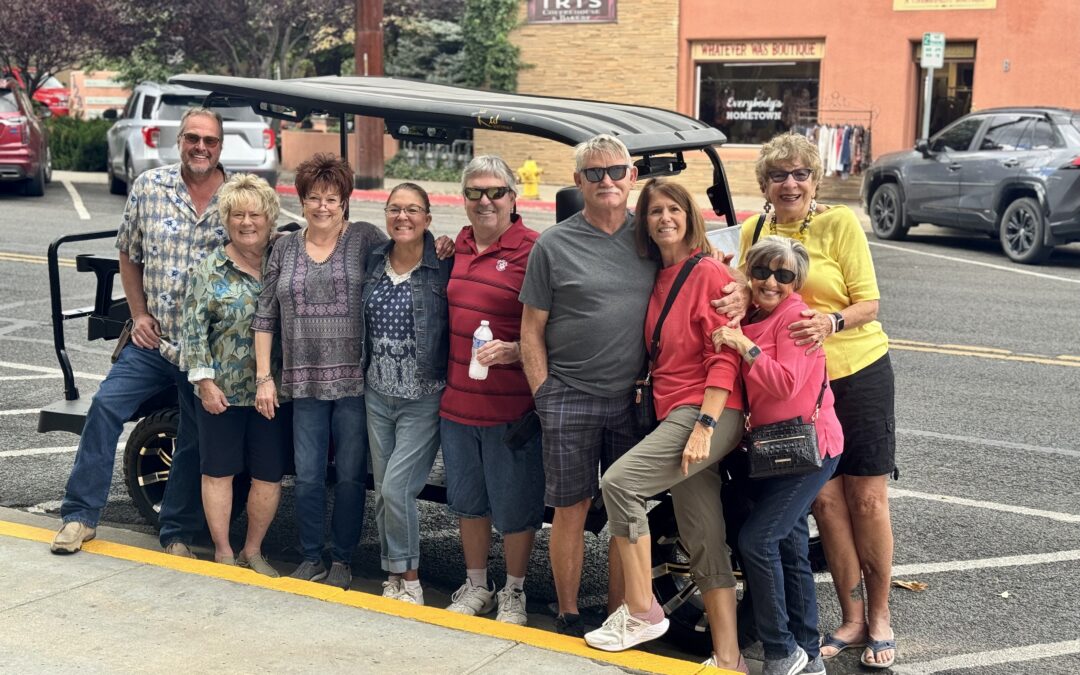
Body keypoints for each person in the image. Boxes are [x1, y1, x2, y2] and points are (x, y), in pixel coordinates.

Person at [739, 132, 897, 669]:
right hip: (796, 389)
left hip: (856, 371)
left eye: (800, 174)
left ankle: (880, 617)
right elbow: (743, 292)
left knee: (867, 500)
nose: (790, 184)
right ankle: (851, 618)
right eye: (778, 175)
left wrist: (830, 321)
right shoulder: (754, 231)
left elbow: (869, 303)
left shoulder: (839, 223)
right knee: (825, 504)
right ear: (764, 183)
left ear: (815, 180)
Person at [583, 179, 747, 673]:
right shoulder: (658, 276)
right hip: (677, 411)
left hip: (708, 410)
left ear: (690, 216)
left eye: (674, 209)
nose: (665, 218)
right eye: (654, 211)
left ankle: (641, 610)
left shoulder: (709, 273)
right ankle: (730, 660)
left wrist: (704, 424)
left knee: (620, 484)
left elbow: (725, 356)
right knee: (702, 534)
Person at [51, 107, 226, 558]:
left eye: (209, 140)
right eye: (192, 138)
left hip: (204, 350)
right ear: (179, 141)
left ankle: (176, 532)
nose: (200, 147)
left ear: (220, 146)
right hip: (153, 341)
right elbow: (129, 254)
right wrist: (139, 314)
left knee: (193, 436)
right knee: (105, 408)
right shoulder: (150, 187)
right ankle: (80, 515)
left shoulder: (237, 197)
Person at [519, 134, 657, 636]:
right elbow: (531, 330)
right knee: (570, 508)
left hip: (633, 398)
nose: (607, 181)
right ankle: (569, 612)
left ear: (632, 177)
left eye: (616, 171)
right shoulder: (553, 245)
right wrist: (544, 395)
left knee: (625, 511)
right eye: (594, 173)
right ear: (578, 181)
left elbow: (704, 273)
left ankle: (621, 614)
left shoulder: (653, 238)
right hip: (568, 394)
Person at [252, 154, 386, 589]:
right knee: (308, 475)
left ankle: (342, 559)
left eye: (331, 198)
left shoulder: (365, 238)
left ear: (344, 201)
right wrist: (264, 377)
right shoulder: (285, 247)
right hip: (303, 381)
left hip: (354, 383)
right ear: (302, 200)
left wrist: (440, 246)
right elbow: (265, 315)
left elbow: (405, 257)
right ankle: (311, 557)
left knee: (349, 477)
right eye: (314, 198)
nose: (323, 206)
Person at [714, 236, 844, 675]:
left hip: (810, 448)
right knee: (790, 547)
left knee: (759, 540)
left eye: (784, 275)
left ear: (796, 282)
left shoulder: (796, 319)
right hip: (776, 449)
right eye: (762, 271)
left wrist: (743, 346)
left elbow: (786, 384)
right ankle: (809, 656)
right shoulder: (754, 313)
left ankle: (780, 650)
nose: (771, 282)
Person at [440, 157, 543, 626]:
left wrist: (518, 351)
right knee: (468, 503)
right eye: (474, 192)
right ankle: (477, 585)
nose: (485, 201)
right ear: (463, 198)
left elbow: (557, 325)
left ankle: (514, 591)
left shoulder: (534, 250)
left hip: (512, 409)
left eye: (496, 192)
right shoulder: (455, 246)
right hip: (458, 404)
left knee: (516, 508)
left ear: (513, 197)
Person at [182, 173, 290, 576]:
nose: (247, 223)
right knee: (218, 472)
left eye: (255, 214)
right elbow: (193, 331)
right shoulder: (210, 269)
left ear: (270, 218)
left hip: (273, 394)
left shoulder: (284, 260)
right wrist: (205, 383)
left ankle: (252, 550)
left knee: (269, 476)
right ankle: (224, 551)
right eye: (237, 215)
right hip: (222, 394)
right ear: (226, 220)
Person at [363, 183, 453, 606]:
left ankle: (411, 581)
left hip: (423, 396)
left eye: (413, 210)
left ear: (428, 218)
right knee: (384, 492)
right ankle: (393, 576)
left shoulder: (444, 264)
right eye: (395, 209)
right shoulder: (373, 261)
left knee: (397, 489)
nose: (403, 217)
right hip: (377, 394)